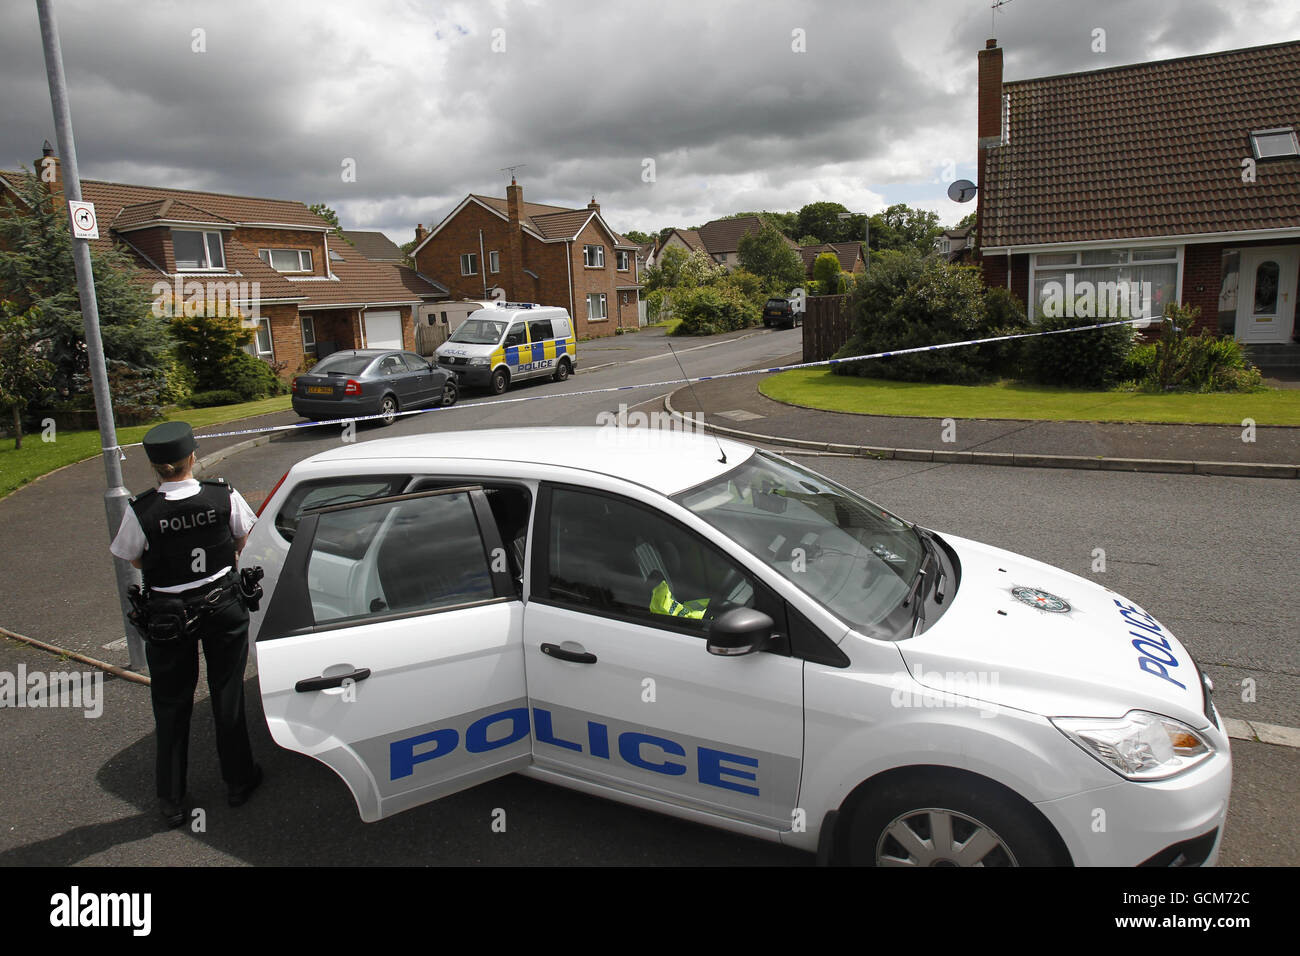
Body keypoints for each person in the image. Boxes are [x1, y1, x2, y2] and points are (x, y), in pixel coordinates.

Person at [109, 421, 262, 827]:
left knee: (171, 703)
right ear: (192, 457)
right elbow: (242, 538)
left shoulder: (141, 510)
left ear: (156, 466)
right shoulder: (221, 495)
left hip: (167, 616)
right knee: (226, 691)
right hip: (222, 605)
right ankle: (238, 781)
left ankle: (172, 799)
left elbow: (134, 558)